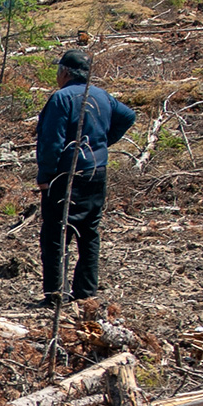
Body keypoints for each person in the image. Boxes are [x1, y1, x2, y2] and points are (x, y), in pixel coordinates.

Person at [34, 48, 138, 306]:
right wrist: (102, 143)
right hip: (97, 172)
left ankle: (57, 295)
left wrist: (45, 175)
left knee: (56, 236)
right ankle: (86, 294)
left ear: (65, 72)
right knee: (89, 234)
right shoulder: (102, 96)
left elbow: (52, 142)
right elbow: (128, 116)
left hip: (65, 176)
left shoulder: (61, 99)